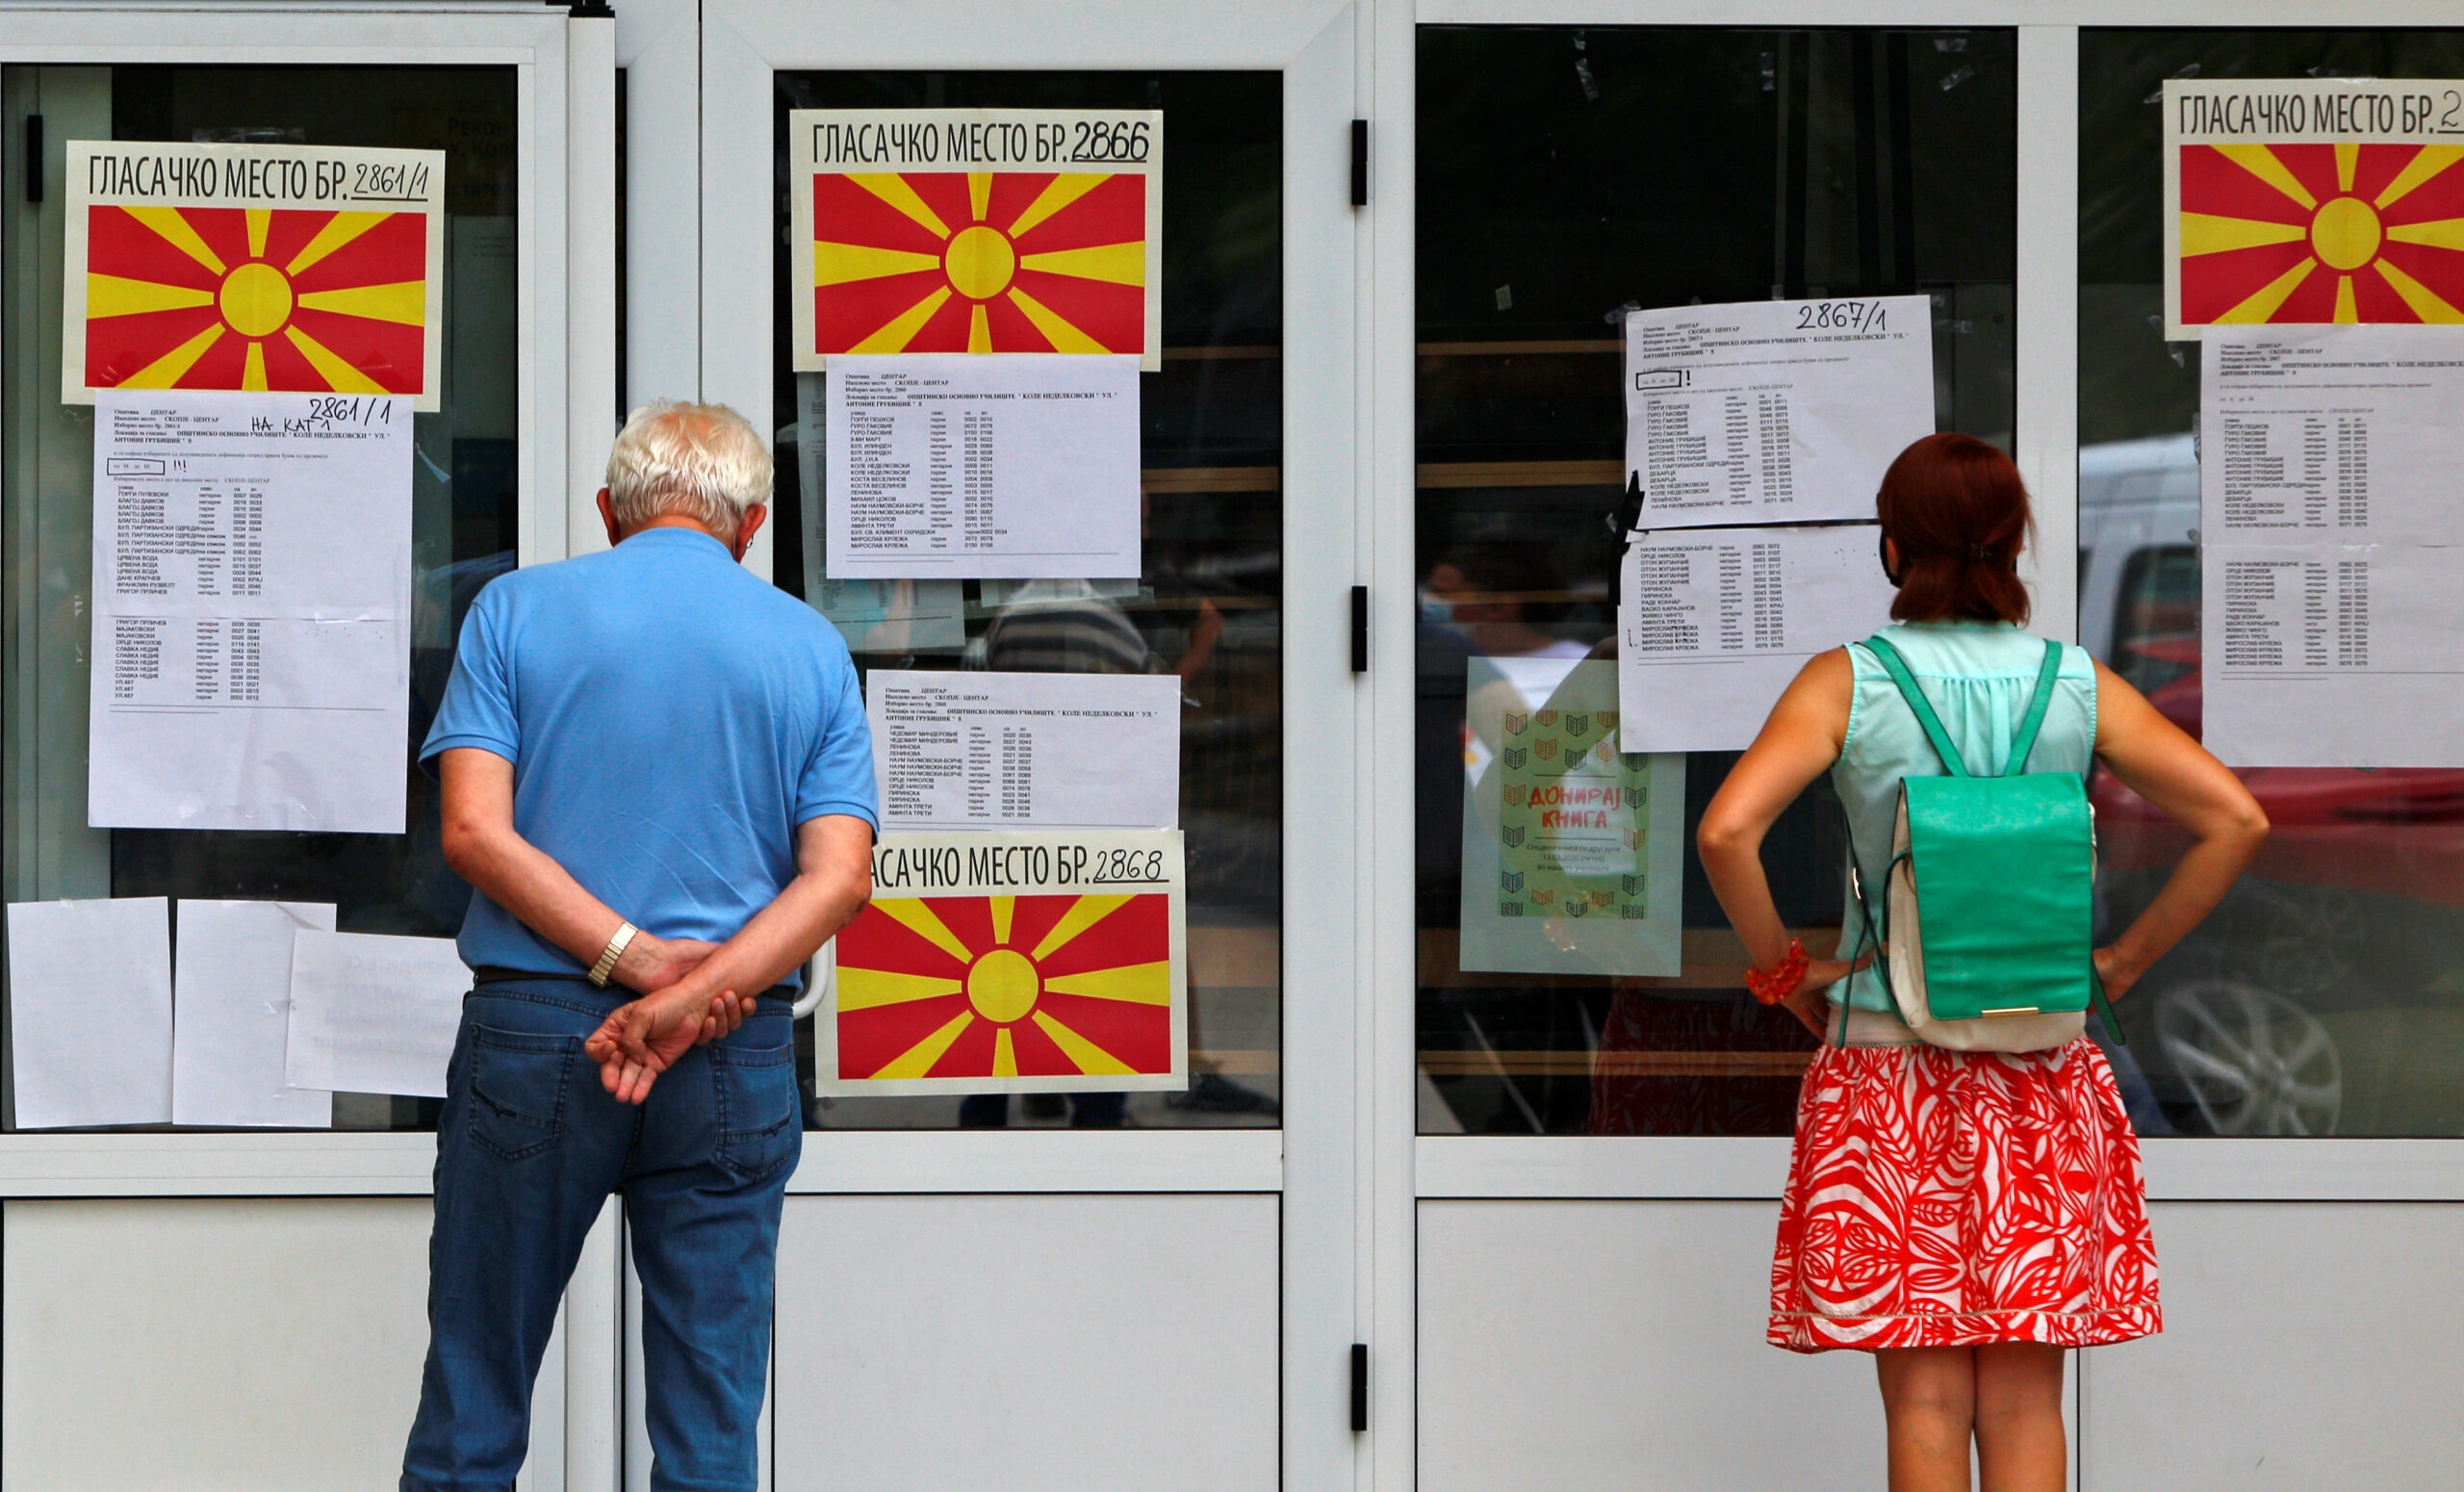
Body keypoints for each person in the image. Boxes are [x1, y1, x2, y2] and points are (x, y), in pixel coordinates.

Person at [1695, 433, 2267, 1492]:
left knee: (1922, 1398)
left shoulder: (1846, 681)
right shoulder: (2075, 682)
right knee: (2022, 1397)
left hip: (1886, 1068)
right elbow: (2233, 818)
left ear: (1891, 541)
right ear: (2015, 544)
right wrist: (2126, 960)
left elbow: (1728, 830)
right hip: (2040, 1066)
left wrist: (1785, 970)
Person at [400, 401, 877, 1492]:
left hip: (540, 1030)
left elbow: (473, 828)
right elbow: (840, 874)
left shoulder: (514, 610)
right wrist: (698, 984)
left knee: (474, 1405)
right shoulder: (809, 643)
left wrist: (634, 959)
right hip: (726, 1039)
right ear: (751, 524)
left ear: (610, 511)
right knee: (711, 1428)